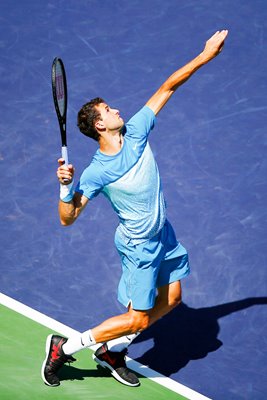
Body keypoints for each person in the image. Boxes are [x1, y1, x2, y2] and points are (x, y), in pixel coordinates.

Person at [41, 30, 228, 388]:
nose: (118, 110)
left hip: (163, 233)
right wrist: (66, 187)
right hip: (139, 245)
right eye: (109, 110)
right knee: (139, 319)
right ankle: (65, 347)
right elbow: (68, 218)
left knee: (173, 298)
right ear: (100, 125)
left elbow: (168, 87)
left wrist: (205, 56)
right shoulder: (96, 172)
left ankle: (113, 351)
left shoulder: (137, 131)